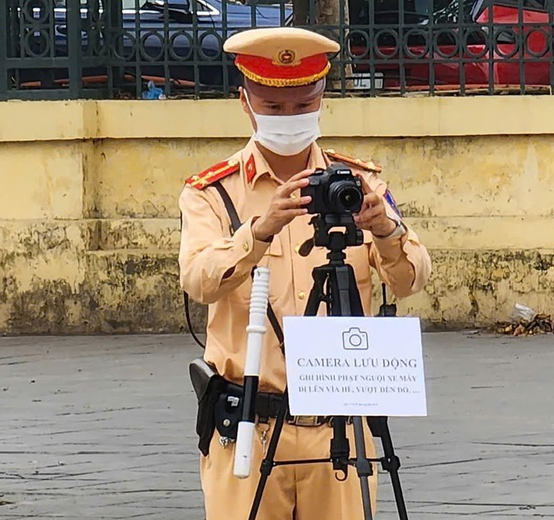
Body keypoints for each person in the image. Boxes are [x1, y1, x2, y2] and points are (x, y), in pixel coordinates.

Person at [178, 26, 433, 520]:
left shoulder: (358, 184)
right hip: (248, 426)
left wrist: (383, 228)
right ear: (246, 103)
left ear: (321, 101)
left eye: (302, 106)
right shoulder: (213, 192)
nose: (288, 119)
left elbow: (411, 279)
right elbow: (198, 278)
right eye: (273, 108)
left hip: (341, 425)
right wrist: (259, 230)